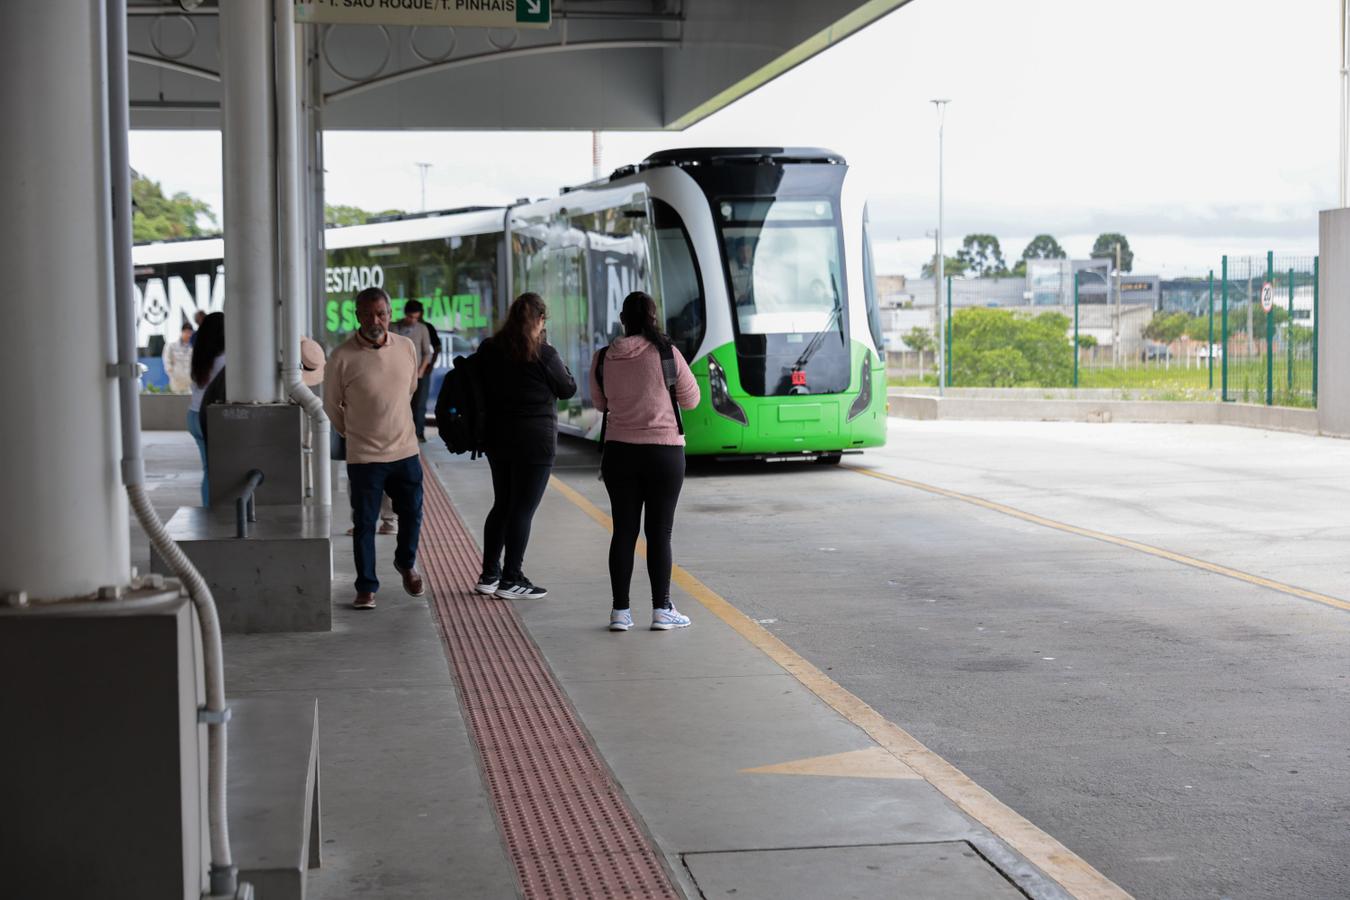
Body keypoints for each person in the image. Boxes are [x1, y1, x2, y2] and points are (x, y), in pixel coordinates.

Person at [588, 291, 700, 632]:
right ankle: (661, 609)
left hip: (619, 452)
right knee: (659, 533)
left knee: (623, 531)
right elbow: (692, 400)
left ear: (623, 319)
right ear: (653, 318)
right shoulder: (667, 352)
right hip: (664, 453)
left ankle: (620, 612)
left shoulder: (604, 357)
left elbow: (600, 404)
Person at [324, 287, 427, 611]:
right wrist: (352, 433)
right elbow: (331, 405)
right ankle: (366, 587)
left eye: (381, 314)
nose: (375, 321)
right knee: (365, 523)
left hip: (405, 451)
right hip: (365, 456)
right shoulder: (341, 357)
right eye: (368, 315)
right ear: (357, 316)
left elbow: (409, 389)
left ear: (390, 314)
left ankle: (405, 563)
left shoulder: (406, 347)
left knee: (412, 513)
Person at [475, 292, 577, 600]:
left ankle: (489, 575)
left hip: (498, 439)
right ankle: (512, 578)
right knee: (522, 509)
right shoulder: (544, 353)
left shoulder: (490, 348)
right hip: (535, 442)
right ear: (541, 320)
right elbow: (567, 388)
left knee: (503, 504)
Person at [187, 312, 225, 506]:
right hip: (210, 417)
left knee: (208, 470)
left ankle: (208, 509)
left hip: (193, 415)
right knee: (217, 470)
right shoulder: (226, 359)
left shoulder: (200, 355)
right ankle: (213, 512)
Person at [391, 299, 436, 443]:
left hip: (419, 373)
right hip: (398, 374)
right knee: (399, 405)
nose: (413, 321)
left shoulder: (422, 328)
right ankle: (401, 434)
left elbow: (427, 352)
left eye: (416, 318)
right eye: (410, 317)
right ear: (405, 314)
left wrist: (421, 371)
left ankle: (418, 433)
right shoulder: (393, 327)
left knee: (419, 404)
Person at [163, 322, 194, 393]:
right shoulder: (171, 345)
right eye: (187, 332)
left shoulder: (192, 347)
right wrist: (172, 374)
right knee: (176, 399)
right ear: (182, 332)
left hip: (189, 383)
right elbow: (167, 361)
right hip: (176, 382)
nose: (189, 335)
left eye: (190, 333)